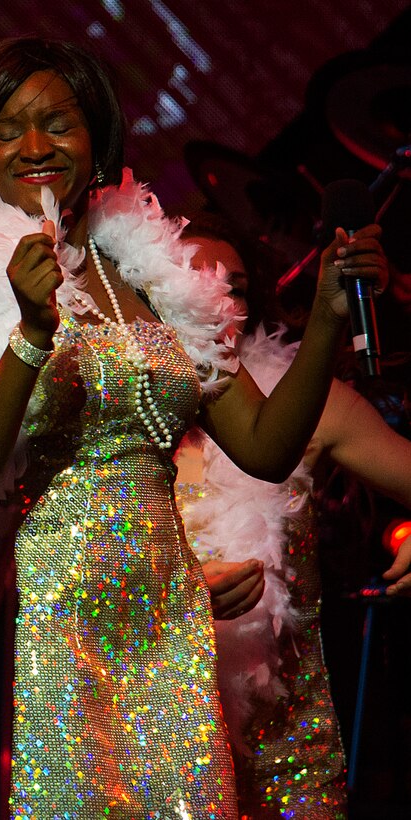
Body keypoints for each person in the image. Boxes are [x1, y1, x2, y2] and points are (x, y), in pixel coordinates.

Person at [0, 37, 387, 818]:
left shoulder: (156, 274)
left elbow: (261, 445)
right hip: (44, 627)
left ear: (97, 140)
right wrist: (27, 335)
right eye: (6, 129)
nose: (36, 147)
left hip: (165, 622)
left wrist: (323, 319)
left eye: (57, 122)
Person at [174, 214, 411, 819]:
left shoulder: (307, 406)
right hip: (149, 744)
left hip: (289, 759)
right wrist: (172, 592)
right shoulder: (104, 423)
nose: (219, 294)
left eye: (237, 285)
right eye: (195, 276)